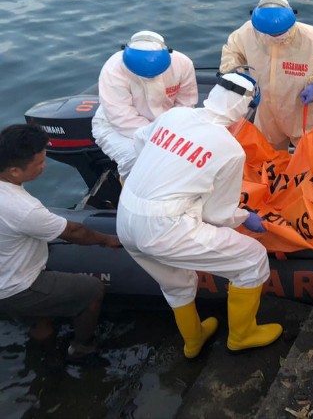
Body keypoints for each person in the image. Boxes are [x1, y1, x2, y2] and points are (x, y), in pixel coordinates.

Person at [116, 72, 282, 358]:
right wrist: (244, 217)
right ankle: (242, 335)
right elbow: (216, 213)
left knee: (176, 282)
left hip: (126, 217)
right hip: (164, 226)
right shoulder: (230, 149)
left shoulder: (176, 116)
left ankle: (193, 340)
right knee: (252, 259)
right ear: (245, 109)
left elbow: (140, 142)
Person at [0, 124, 122, 361]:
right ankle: (82, 347)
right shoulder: (22, 209)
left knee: (42, 321)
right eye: (40, 163)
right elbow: (75, 232)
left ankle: (42, 337)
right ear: (15, 171)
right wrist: (109, 240)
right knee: (91, 290)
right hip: (14, 287)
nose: (44, 166)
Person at [220, 0, 313, 150]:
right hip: (267, 115)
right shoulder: (247, 33)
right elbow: (231, 52)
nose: (275, 35)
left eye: (279, 32)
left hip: (305, 115)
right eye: (270, 33)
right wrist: (236, 75)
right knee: (268, 159)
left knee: (312, 160)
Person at [92, 30, 198, 181]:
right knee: (138, 161)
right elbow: (123, 119)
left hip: (168, 126)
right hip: (118, 129)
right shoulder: (113, 69)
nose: (150, 78)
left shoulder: (183, 64)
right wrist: (163, 141)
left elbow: (186, 104)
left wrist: (173, 137)